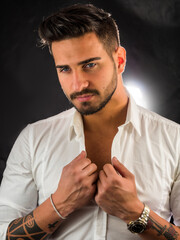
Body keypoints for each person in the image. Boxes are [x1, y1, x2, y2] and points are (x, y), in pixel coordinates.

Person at [0, 3, 180, 240]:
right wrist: (58, 205)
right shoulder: (33, 139)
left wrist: (136, 214)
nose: (78, 84)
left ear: (120, 60)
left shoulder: (174, 140)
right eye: (65, 69)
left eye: (89, 65)